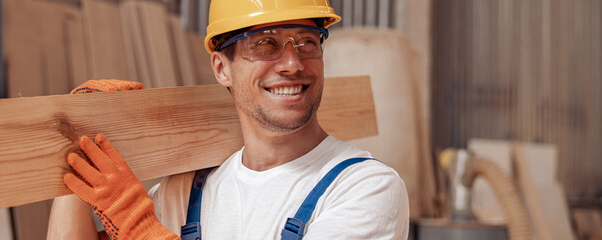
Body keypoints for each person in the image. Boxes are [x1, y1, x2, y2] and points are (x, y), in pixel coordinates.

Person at [47, 0, 409, 239]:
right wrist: (79, 141)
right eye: (265, 44)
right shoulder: (189, 191)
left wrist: (140, 229)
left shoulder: (365, 188)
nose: (293, 63)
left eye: (307, 42)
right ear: (222, 68)